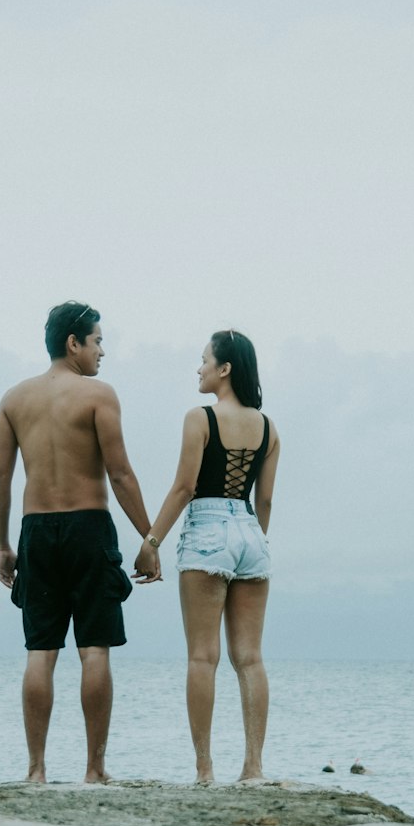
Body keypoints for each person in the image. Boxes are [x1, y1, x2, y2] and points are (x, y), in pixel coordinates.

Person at [0, 301, 160, 783]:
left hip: (37, 530)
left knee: (40, 652)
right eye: (98, 341)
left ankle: (36, 771)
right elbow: (121, 471)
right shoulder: (98, 394)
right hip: (88, 527)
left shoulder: (13, 399)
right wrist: (148, 536)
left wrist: (4, 543)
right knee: (94, 650)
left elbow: (0, 479)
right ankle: (94, 770)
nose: (102, 352)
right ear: (74, 343)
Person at [134, 330, 279, 783]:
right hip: (252, 532)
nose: (198, 369)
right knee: (250, 658)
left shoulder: (200, 419)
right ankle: (253, 768)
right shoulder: (269, 428)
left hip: (208, 527)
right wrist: (249, 542)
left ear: (225, 368)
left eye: (203, 361)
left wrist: (151, 542)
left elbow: (184, 487)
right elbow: (267, 501)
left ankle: (204, 771)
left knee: (202, 657)